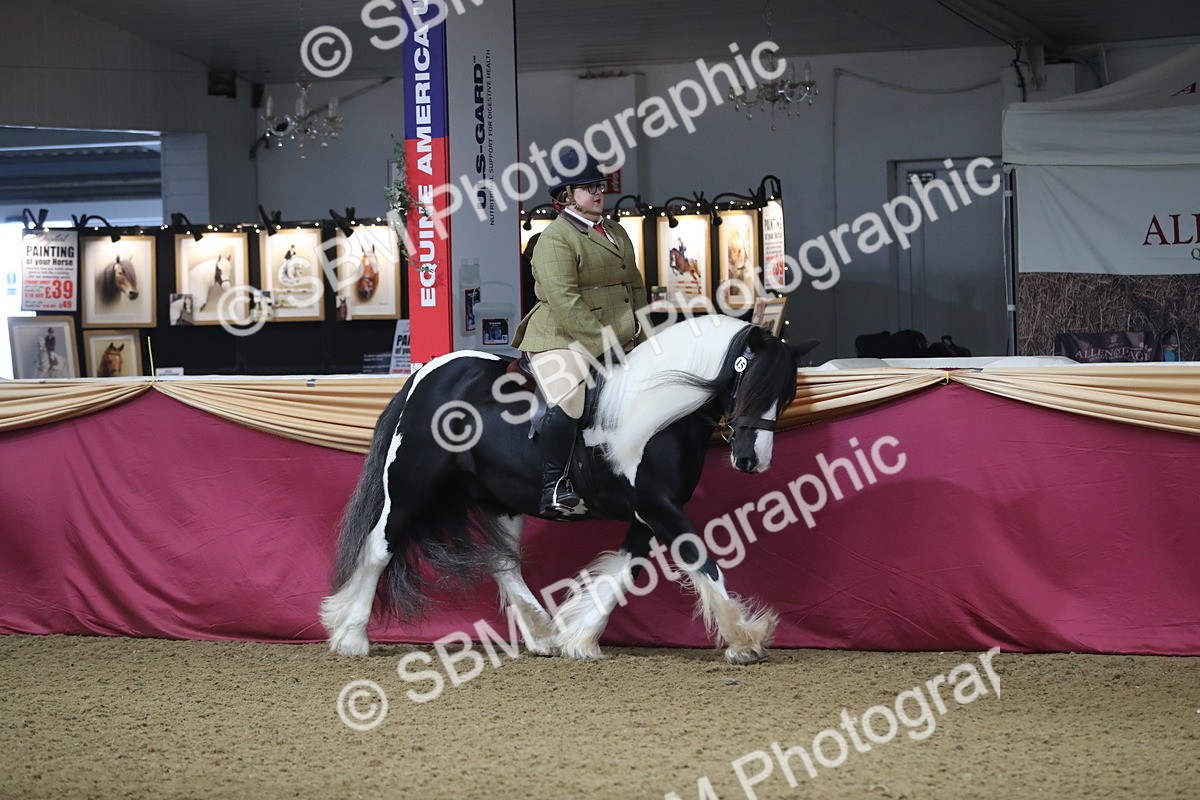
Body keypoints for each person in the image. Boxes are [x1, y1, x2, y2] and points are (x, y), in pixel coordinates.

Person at [512, 148, 648, 518]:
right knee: (571, 397)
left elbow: (633, 284)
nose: (598, 193)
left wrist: (642, 332)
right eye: (588, 188)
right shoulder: (555, 239)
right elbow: (566, 302)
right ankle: (554, 486)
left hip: (620, 334)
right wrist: (605, 345)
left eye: (599, 185)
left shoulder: (616, 231)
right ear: (566, 195)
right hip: (560, 336)